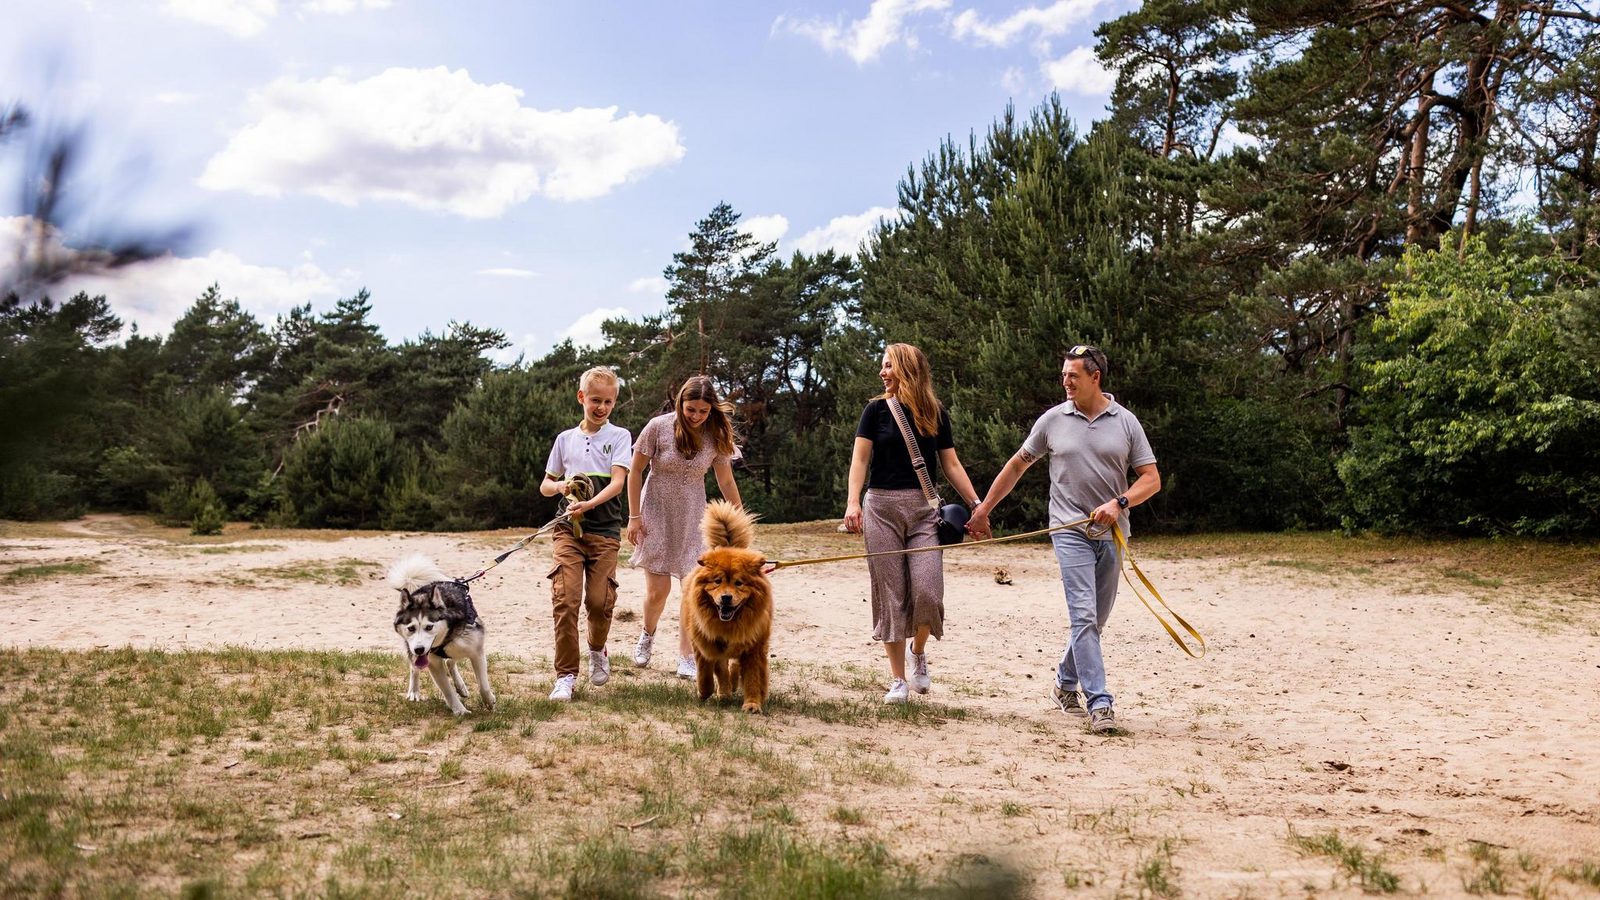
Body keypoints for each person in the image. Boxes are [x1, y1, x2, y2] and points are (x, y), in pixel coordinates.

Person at [967, 345, 1160, 735]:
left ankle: (1064, 682)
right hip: (1068, 531)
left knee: (1095, 621)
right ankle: (1101, 703)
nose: (1065, 381)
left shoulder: (1126, 422)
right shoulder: (1052, 420)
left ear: (1095, 378)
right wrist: (985, 508)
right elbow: (1017, 464)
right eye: (1064, 375)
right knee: (1084, 616)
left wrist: (1119, 502)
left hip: (1113, 533)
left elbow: (1151, 479)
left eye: (1073, 375)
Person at [842, 343, 981, 705]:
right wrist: (852, 502)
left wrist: (976, 504)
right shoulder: (874, 411)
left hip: (923, 510)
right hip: (881, 508)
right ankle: (898, 680)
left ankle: (918, 650)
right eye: (882, 366)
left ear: (907, 369)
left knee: (927, 591)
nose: (882, 372)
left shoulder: (935, 412)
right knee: (890, 594)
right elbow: (860, 460)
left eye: (888, 366)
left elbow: (951, 465)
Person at [625, 376, 744, 679]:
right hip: (656, 511)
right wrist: (634, 516)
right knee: (658, 592)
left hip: (693, 516)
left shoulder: (714, 435)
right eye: (691, 409)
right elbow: (635, 471)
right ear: (680, 403)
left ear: (710, 410)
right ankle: (647, 635)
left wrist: (738, 518)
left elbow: (725, 480)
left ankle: (686, 656)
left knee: (691, 589)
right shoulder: (658, 427)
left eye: (703, 411)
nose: (696, 416)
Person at [539, 365, 633, 702]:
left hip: (605, 531)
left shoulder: (620, 437)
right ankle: (565, 675)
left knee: (598, 602)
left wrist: (589, 504)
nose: (602, 408)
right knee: (565, 600)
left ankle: (597, 649)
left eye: (608, 402)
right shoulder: (565, 440)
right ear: (581, 398)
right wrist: (563, 485)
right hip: (567, 531)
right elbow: (545, 487)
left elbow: (619, 484)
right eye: (596, 400)